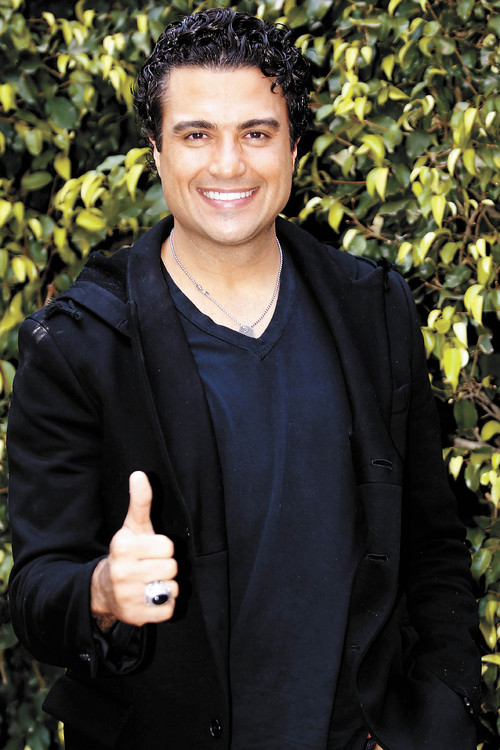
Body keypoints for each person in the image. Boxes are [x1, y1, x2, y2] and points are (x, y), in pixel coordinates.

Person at [7, 9, 480, 750]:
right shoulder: (78, 345)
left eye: (257, 133)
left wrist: (445, 712)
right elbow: (36, 595)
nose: (228, 165)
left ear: (293, 148)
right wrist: (100, 591)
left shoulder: (373, 310)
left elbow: (433, 546)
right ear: (157, 152)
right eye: (197, 134)